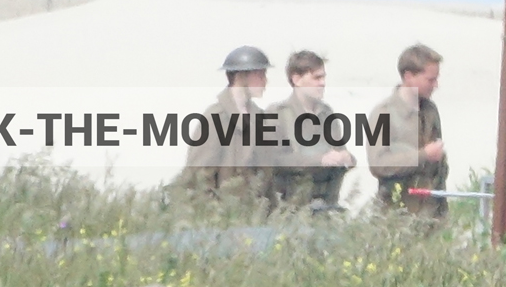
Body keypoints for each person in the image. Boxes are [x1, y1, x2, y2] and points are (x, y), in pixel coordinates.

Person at [178, 45, 274, 201]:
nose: (265, 81)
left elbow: (267, 178)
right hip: (224, 216)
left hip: (257, 216)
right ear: (240, 76)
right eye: (259, 74)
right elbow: (198, 179)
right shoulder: (216, 118)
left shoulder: (260, 118)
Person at [368, 43, 448, 219]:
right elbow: (377, 164)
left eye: (436, 79)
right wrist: (423, 156)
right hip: (395, 216)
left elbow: (438, 171)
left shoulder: (430, 110)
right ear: (409, 76)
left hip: (431, 214)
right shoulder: (382, 113)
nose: (435, 85)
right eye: (430, 80)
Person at [267, 51, 354, 210]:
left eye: (323, 77)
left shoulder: (327, 113)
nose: (322, 83)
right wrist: (319, 160)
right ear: (297, 79)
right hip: (290, 209)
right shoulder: (277, 114)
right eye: (316, 78)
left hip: (327, 206)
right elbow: (275, 160)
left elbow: (339, 151)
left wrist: (347, 158)